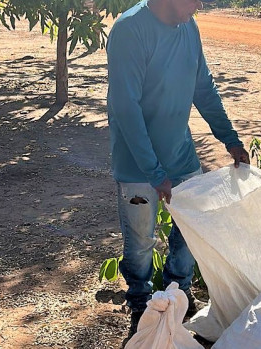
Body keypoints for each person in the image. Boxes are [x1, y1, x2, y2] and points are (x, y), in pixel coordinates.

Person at [105, 0, 250, 339]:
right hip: (137, 169)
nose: (199, 5)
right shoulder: (130, 31)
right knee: (140, 241)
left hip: (181, 157)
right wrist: (155, 174)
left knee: (190, 230)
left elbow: (204, 88)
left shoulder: (189, 27)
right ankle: (140, 302)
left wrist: (229, 139)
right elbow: (125, 108)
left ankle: (179, 291)